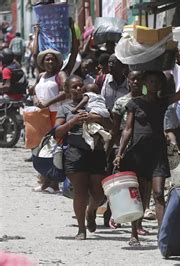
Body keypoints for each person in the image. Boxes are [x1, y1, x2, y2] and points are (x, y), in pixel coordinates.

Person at [113, 68, 180, 246]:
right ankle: (134, 234)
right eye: (150, 81)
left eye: (157, 82)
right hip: (138, 152)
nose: (154, 84)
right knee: (139, 195)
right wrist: (120, 152)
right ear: (144, 83)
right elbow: (127, 129)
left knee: (158, 194)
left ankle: (163, 235)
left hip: (157, 152)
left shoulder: (163, 102)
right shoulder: (134, 103)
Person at [55, 75, 111, 240]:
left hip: (97, 151)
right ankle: (81, 229)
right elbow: (57, 132)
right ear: (67, 90)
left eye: (81, 86)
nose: (78, 89)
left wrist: (96, 118)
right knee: (80, 193)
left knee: (99, 193)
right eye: (74, 87)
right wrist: (72, 122)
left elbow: (112, 125)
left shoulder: (96, 105)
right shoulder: (65, 109)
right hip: (75, 152)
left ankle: (91, 210)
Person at [30, 18, 79, 193]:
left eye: (52, 60)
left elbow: (66, 93)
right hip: (41, 116)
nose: (49, 62)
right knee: (42, 148)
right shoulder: (41, 75)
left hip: (56, 115)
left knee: (56, 149)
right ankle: (45, 181)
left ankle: (54, 183)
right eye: (47, 60)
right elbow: (35, 55)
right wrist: (36, 33)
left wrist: (72, 29)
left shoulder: (61, 75)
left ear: (57, 62)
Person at [106, 70, 144, 230]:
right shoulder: (121, 102)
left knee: (142, 186)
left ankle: (139, 223)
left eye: (139, 79)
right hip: (124, 147)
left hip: (142, 147)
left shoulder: (148, 101)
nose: (136, 82)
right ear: (128, 81)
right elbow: (115, 129)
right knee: (122, 185)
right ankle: (115, 214)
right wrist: (113, 150)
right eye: (133, 79)